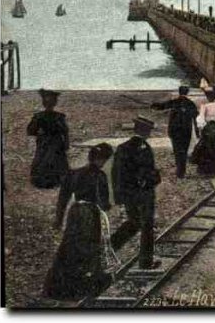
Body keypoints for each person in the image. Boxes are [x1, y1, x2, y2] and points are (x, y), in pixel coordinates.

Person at [44, 143, 116, 300]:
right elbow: (103, 202)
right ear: (100, 159)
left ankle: (58, 288)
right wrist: (107, 207)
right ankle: (86, 286)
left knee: (70, 247)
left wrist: (58, 219)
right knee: (90, 248)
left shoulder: (74, 173)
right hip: (90, 215)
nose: (103, 162)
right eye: (103, 159)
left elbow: (63, 199)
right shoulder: (100, 176)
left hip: (75, 213)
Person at [110, 116, 162, 270]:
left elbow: (116, 174)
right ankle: (146, 263)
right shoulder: (145, 148)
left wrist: (119, 196)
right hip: (144, 194)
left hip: (128, 194)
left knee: (133, 223)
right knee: (146, 226)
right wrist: (155, 178)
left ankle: (108, 248)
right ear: (145, 132)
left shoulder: (122, 147)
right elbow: (149, 173)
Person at [151, 86, 200, 179]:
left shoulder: (174, 102)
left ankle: (179, 170)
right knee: (184, 150)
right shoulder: (191, 104)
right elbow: (196, 118)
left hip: (175, 130)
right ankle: (182, 171)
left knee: (177, 150)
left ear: (179, 92)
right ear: (187, 92)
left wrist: (153, 104)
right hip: (186, 130)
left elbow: (162, 106)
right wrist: (197, 132)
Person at [27, 89, 70, 189]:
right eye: (48, 101)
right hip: (46, 143)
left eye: (51, 101)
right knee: (45, 161)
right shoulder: (40, 117)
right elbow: (30, 131)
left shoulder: (58, 117)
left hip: (52, 144)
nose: (49, 104)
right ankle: (47, 181)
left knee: (53, 161)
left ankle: (52, 181)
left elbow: (65, 131)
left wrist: (66, 143)